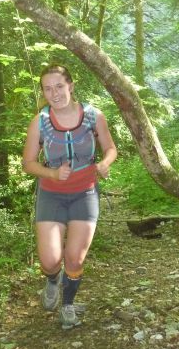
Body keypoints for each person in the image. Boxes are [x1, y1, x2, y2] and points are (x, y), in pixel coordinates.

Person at [22, 63, 118, 330]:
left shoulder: (92, 116)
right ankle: (52, 280)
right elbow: (28, 163)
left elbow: (110, 148)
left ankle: (67, 304)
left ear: (71, 86)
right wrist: (51, 174)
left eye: (59, 86)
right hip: (51, 195)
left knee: (75, 258)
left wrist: (105, 163)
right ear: (43, 92)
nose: (54, 93)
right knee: (50, 260)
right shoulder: (39, 122)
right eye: (48, 88)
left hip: (85, 193)